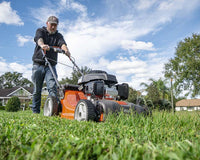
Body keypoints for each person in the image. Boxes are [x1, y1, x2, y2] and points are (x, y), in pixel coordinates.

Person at [31, 16, 70, 114]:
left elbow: (62, 43)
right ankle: (35, 112)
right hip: (38, 64)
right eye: (51, 24)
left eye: (55, 25)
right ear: (47, 23)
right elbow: (39, 39)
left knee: (52, 88)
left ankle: (53, 111)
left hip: (50, 66)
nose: (53, 27)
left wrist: (66, 50)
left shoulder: (58, 35)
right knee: (37, 90)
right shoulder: (40, 31)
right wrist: (42, 45)